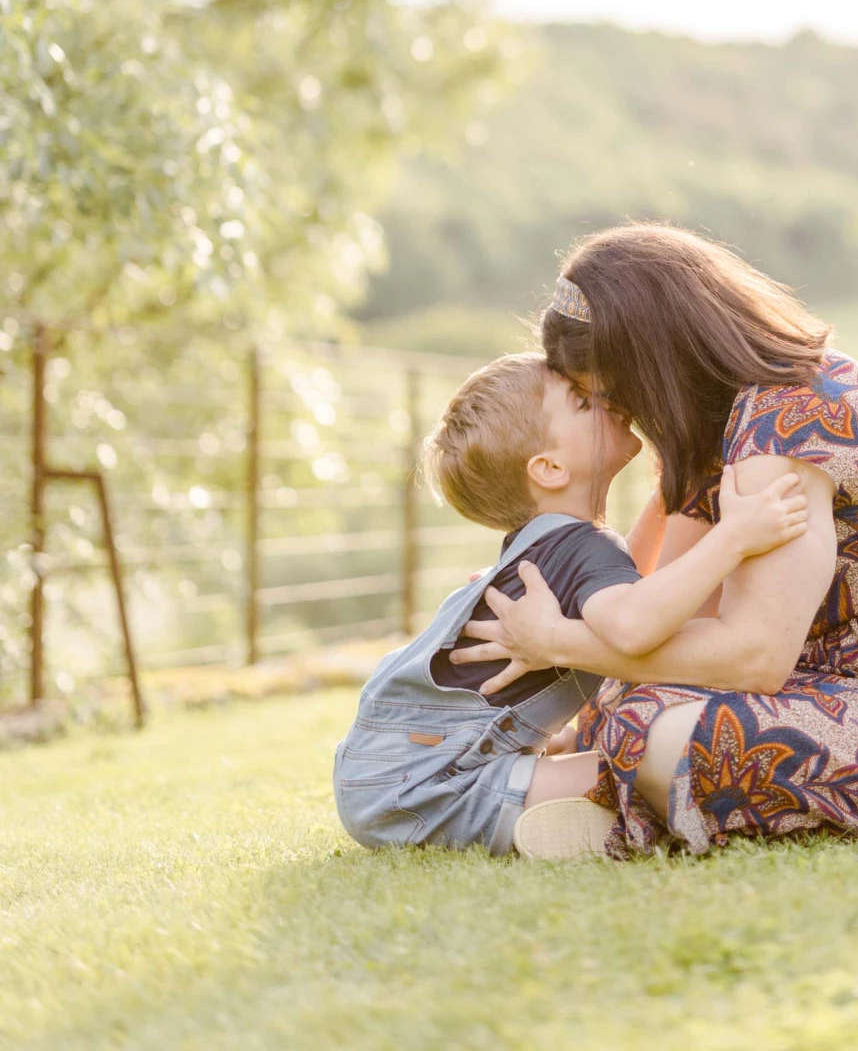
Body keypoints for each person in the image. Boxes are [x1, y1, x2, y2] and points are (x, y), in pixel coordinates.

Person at [452, 225, 858, 857]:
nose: (618, 413)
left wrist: (556, 642)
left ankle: (587, 813)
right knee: (628, 709)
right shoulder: (717, 435)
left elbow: (754, 656)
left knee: (664, 733)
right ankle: (617, 803)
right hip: (852, 691)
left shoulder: (786, 420)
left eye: (611, 392)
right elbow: (668, 615)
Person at [331, 350, 808, 857]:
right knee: (656, 765)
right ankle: (596, 818)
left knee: (627, 756)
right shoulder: (576, 549)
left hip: (389, 773)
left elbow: (631, 584)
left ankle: (559, 801)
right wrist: (736, 536)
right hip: (430, 786)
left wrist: (669, 495)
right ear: (551, 468)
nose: (606, 399)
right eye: (583, 402)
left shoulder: (548, 546)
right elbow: (632, 623)